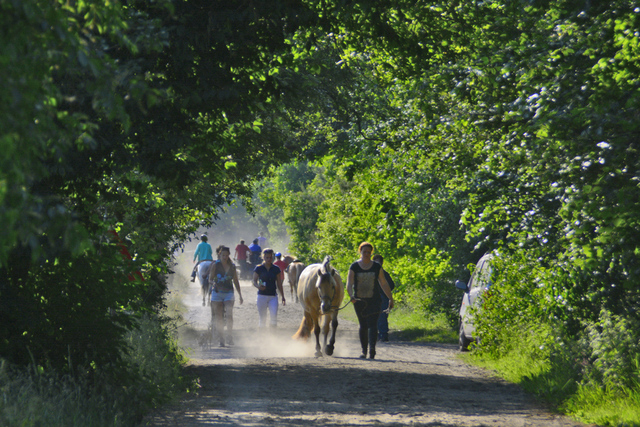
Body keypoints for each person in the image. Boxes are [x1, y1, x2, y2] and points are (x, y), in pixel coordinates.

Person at [346, 242, 394, 360]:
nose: (366, 254)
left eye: (368, 252)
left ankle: (372, 349)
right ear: (360, 252)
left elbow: (383, 283)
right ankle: (364, 351)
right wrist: (351, 296)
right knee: (363, 325)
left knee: (373, 325)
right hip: (359, 301)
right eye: (364, 252)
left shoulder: (377, 267)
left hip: (375, 300)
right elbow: (349, 283)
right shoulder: (354, 266)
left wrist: (390, 298)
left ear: (371, 253)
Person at [209, 246, 243, 347]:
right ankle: (221, 338)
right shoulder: (215, 265)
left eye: (226, 255)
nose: (225, 257)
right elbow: (210, 279)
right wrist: (213, 283)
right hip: (217, 293)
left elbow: (236, 281)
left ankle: (229, 336)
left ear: (229, 255)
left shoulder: (232, 266)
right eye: (223, 255)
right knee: (219, 317)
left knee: (229, 314)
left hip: (229, 292)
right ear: (220, 255)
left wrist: (240, 294)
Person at [252, 248, 286, 328]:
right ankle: (262, 337)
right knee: (262, 318)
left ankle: (273, 336)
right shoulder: (258, 268)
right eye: (267, 257)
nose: (269, 259)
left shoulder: (276, 269)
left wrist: (283, 296)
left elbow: (279, 284)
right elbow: (254, 281)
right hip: (261, 296)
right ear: (263, 257)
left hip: (273, 296)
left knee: (274, 317)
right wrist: (258, 287)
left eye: (270, 257)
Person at [373, 254, 395, 342]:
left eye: (379, 261)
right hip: (373, 298)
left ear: (382, 263)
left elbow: (391, 285)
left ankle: (384, 335)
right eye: (376, 261)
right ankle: (376, 334)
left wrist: (386, 293)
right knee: (373, 317)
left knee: (382, 316)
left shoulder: (385, 274)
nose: (378, 263)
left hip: (383, 299)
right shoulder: (371, 274)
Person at [193, 234, 214, 306]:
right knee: (212, 277)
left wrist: (194, 259)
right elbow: (211, 252)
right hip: (209, 260)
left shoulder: (199, 245)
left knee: (194, 269)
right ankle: (209, 300)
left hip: (201, 261)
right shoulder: (208, 245)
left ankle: (193, 277)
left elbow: (196, 252)